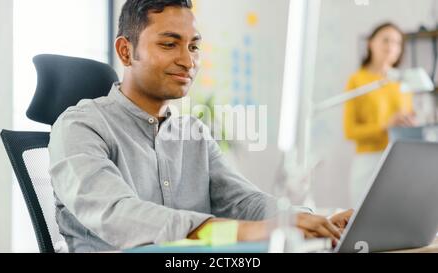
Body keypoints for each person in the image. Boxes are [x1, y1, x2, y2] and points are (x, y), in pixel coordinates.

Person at [49, 0, 353, 252]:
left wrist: (305, 221)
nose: (187, 60)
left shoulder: (192, 133)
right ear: (126, 51)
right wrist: (244, 232)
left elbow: (243, 201)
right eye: (169, 44)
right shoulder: (79, 127)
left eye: (194, 47)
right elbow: (118, 214)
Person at [344, 22, 416, 207]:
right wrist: (385, 126)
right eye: (386, 40)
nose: (391, 46)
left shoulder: (402, 82)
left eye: (397, 43)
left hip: (399, 160)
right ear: (370, 43)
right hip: (368, 161)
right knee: (364, 222)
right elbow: (350, 131)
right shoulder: (358, 80)